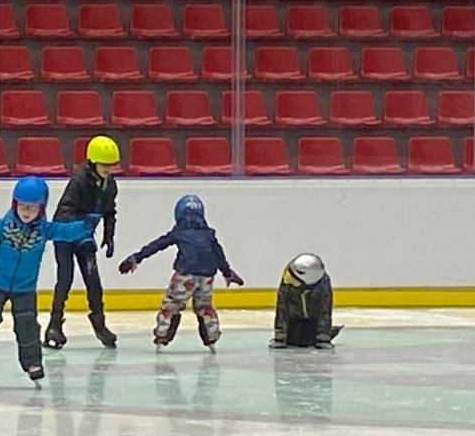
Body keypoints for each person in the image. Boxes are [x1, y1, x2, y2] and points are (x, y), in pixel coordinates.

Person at [0, 176, 95, 383]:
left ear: (41, 208)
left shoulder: (44, 231)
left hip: (25, 289)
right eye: (22, 205)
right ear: (14, 203)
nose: (26, 211)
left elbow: (66, 232)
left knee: (27, 326)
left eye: (32, 207)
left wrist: (86, 226)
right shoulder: (3, 226)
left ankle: (32, 363)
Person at [118, 193, 244, 347]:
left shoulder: (179, 233)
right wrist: (227, 272)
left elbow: (157, 245)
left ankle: (163, 334)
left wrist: (136, 258)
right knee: (204, 306)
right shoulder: (209, 234)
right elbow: (219, 254)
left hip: (185, 275)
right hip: (206, 277)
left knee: (172, 304)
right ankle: (211, 334)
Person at [45, 133, 121, 349]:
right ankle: (54, 324)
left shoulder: (110, 185)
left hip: (85, 238)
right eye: (104, 164)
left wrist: (109, 235)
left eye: (110, 165)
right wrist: (81, 232)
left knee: (93, 279)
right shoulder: (78, 181)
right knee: (65, 278)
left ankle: (99, 322)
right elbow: (65, 210)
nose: (107, 169)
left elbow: (109, 211)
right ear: (93, 162)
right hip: (65, 235)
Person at [270, 253, 341, 350]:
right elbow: (282, 309)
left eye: (291, 278)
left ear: (308, 279)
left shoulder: (323, 286)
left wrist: (323, 338)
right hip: (294, 319)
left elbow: (324, 312)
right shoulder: (287, 285)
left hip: (313, 320)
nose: (287, 281)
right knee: (295, 341)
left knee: (308, 341)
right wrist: (280, 337)